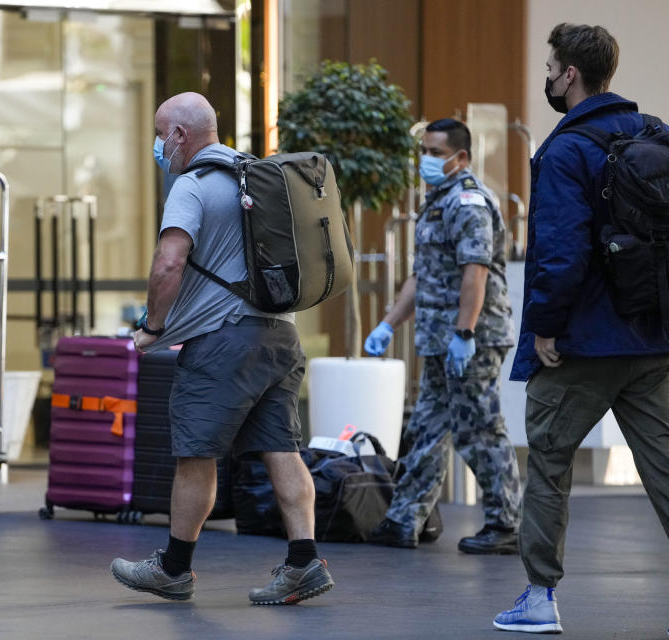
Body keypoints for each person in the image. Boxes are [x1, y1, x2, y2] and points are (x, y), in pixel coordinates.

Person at [109, 92, 334, 604]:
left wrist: (152, 325)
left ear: (179, 135)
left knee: (195, 454)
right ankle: (303, 561)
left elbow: (170, 262)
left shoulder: (193, 186)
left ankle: (172, 568)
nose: (157, 146)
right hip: (279, 336)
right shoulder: (253, 174)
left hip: (223, 343)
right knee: (282, 447)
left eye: (159, 134)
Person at [494, 23, 669, 634]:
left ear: (569, 74)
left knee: (547, 462)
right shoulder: (656, 135)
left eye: (551, 68)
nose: (547, 76)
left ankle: (540, 597)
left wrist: (544, 326)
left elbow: (561, 253)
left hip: (582, 345)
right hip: (652, 337)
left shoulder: (567, 149)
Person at [364, 118, 522, 554]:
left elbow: (477, 272)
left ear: (461, 158)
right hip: (438, 340)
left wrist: (465, 332)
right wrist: (387, 323)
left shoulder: (469, 202)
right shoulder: (437, 201)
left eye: (436, 153)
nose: (427, 161)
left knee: (480, 430)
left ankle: (506, 523)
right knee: (427, 428)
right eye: (425, 152)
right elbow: (423, 276)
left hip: (472, 338)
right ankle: (402, 520)